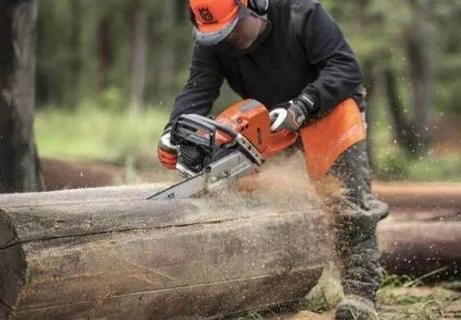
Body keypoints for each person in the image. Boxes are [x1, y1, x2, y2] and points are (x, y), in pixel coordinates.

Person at [156, 0, 390, 319]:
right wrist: (176, 128)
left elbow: (346, 68)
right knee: (255, 195)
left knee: (347, 201)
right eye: (217, 35)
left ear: (256, 5)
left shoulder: (302, 15)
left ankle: (360, 293)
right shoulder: (214, 42)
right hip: (272, 123)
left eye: (233, 28)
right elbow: (198, 89)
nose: (227, 39)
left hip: (329, 110)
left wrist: (303, 105)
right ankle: (278, 282)